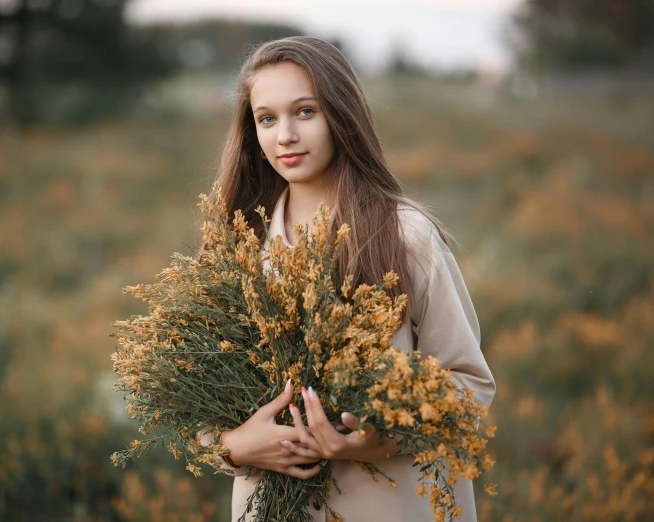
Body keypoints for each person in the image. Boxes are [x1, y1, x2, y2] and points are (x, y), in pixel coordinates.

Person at [200, 36, 496, 521]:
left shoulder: (404, 235)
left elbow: (470, 385)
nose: (286, 136)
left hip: (394, 505)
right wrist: (233, 446)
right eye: (267, 119)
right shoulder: (239, 248)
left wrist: (377, 439)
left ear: (340, 114)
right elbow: (200, 401)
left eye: (306, 112)